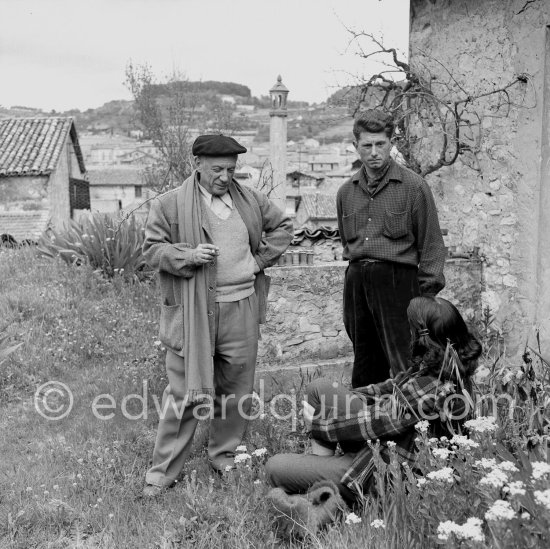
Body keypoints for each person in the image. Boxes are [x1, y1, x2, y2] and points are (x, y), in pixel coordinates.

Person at [142, 134, 294, 497]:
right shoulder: (170, 206)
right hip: (193, 312)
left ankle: (224, 456)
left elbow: (283, 227)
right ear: (196, 164)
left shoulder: (250, 200)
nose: (225, 177)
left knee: (236, 390)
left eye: (231, 169)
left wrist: (256, 262)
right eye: (217, 169)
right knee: (184, 392)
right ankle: (162, 473)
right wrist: (188, 257)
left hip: (241, 305)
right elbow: (151, 251)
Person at [265, 296, 482, 504]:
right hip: (383, 446)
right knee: (319, 389)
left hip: (385, 470)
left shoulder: (434, 386)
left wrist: (320, 423)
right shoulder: (440, 364)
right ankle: (322, 479)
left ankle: (327, 496)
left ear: (421, 335)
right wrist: (349, 398)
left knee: (274, 468)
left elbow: (377, 422)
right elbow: (388, 388)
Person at [337, 110, 447, 388]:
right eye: (367, 145)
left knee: (408, 361)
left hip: (399, 284)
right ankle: (369, 425)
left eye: (380, 144)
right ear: (356, 146)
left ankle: (413, 426)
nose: (374, 152)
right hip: (357, 284)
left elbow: (432, 245)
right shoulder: (345, 192)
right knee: (365, 359)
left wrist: (425, 297)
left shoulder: (414, 187)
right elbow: (346, 244)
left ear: (391, 143)